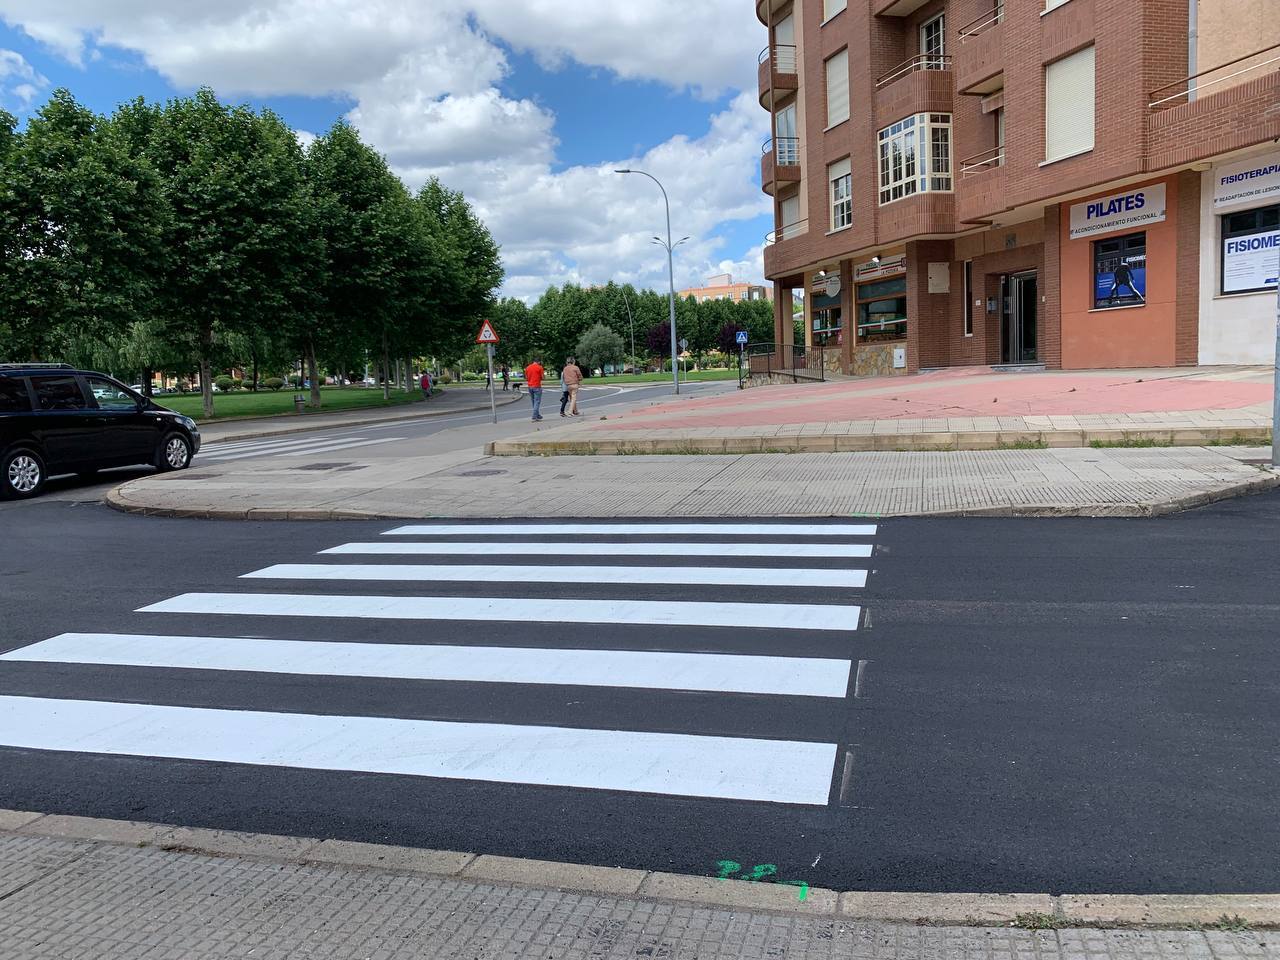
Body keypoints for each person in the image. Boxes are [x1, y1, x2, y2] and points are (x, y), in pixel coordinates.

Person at [524, 356, 545, 421]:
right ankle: (534, 416)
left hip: (530, 386)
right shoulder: (540, 367)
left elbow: (526, 378)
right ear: (539, 361)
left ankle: (537, 415)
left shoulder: (527, 368)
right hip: (537, 386)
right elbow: (543, 377)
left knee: (533, 401)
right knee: (537, 401)